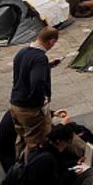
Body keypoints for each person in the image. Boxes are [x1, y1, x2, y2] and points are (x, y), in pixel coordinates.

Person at [10, 26, 59, 157]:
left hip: (15, 104)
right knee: (35, 144)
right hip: (30, 109)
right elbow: (37, 82)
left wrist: (48, 66)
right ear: (51, 41)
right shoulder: (40, 58)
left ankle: (17, 166)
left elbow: (24, 72)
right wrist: (40, 103)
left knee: (22, 139)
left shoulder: (22, 52)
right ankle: (30, 172)